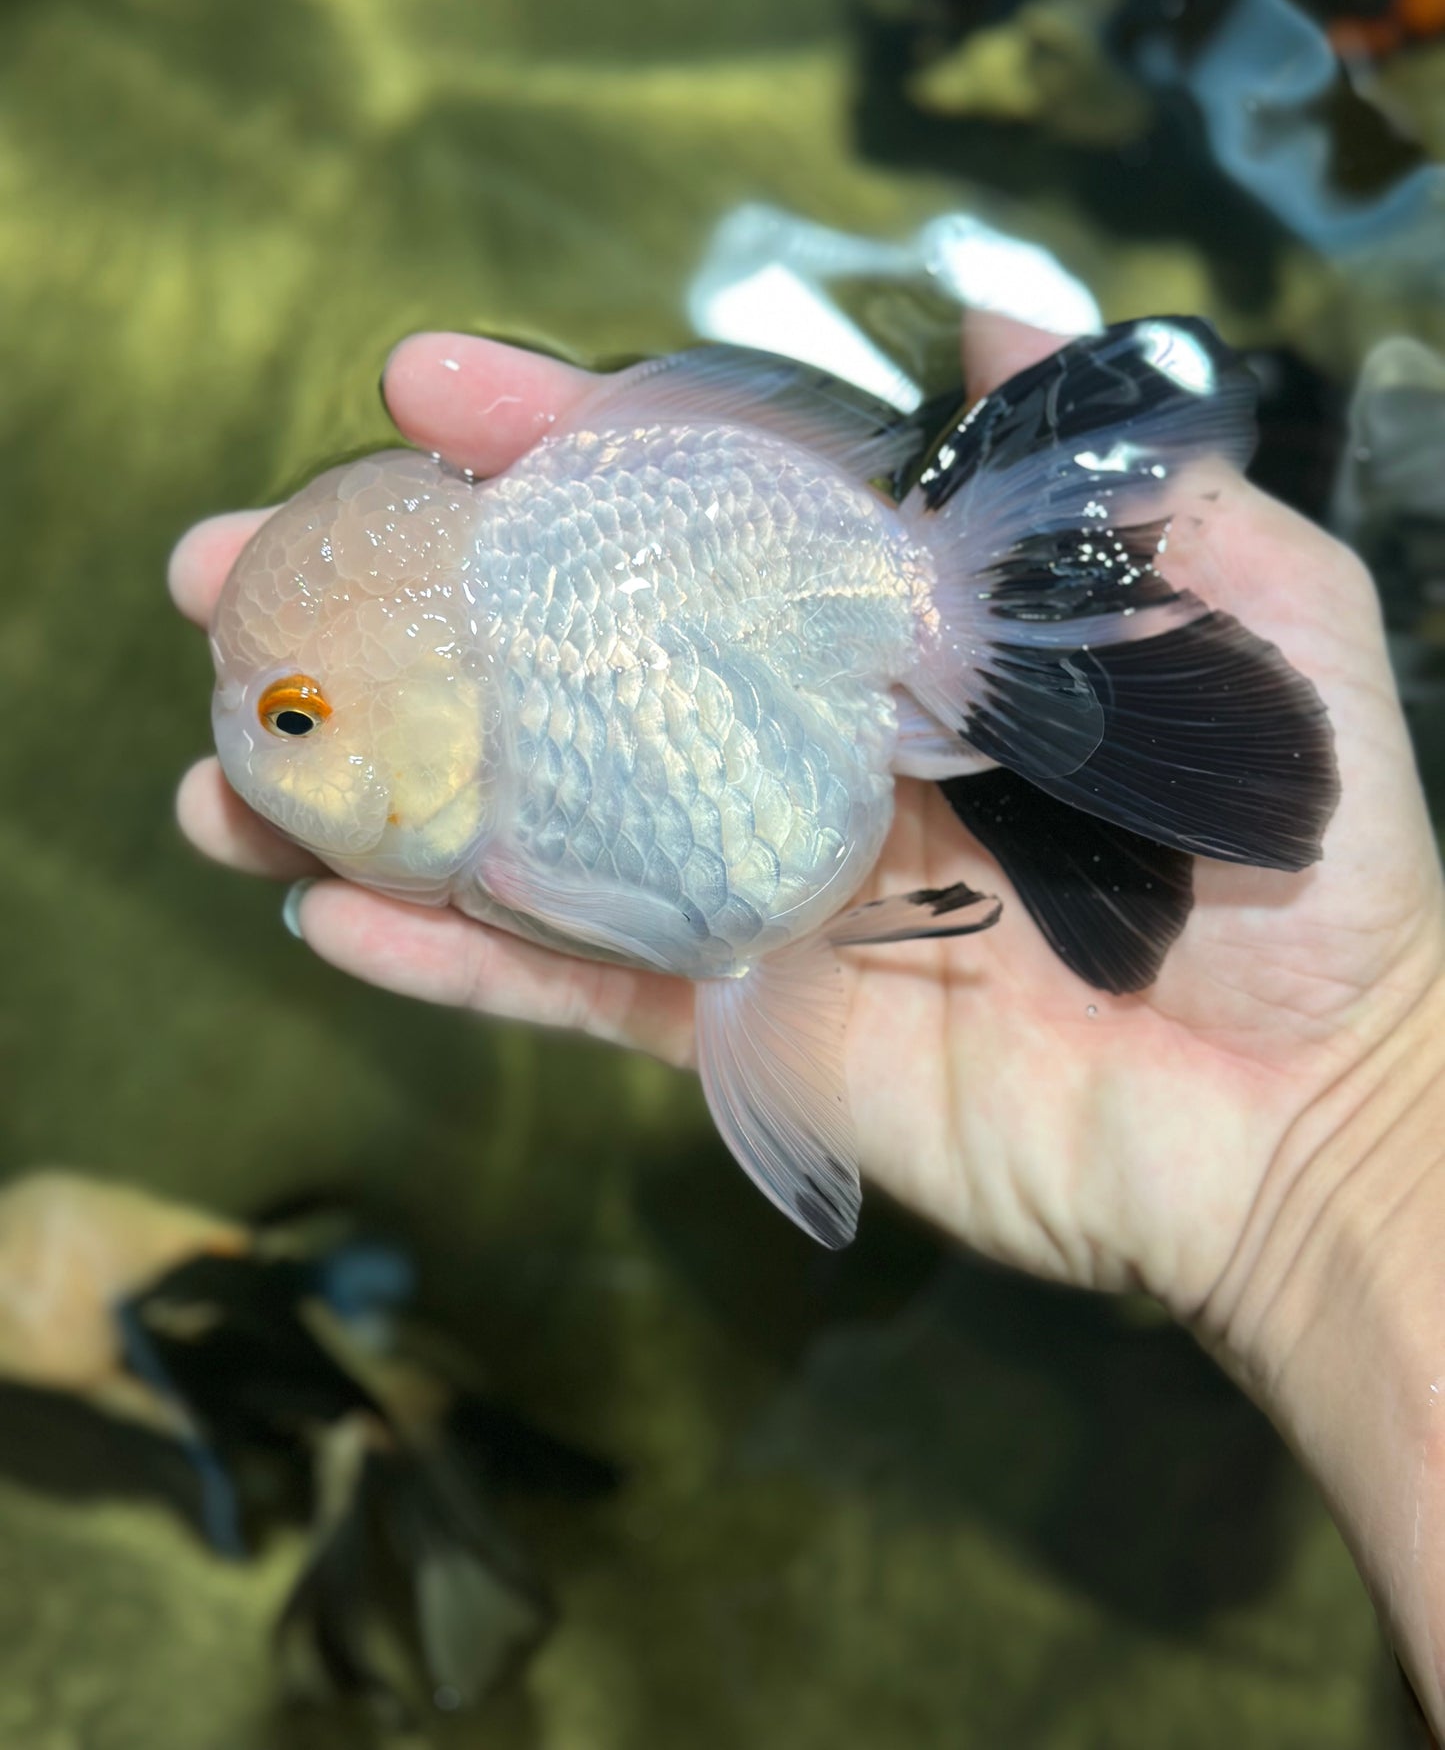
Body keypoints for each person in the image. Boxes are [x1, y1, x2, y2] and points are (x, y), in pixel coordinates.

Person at [170, 310, 1445, 1725]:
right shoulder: (517, 688)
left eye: (292, 721)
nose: (257, 746)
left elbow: (702, 931)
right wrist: (1359, 1114)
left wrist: (1366, 1089)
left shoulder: (515, 803)